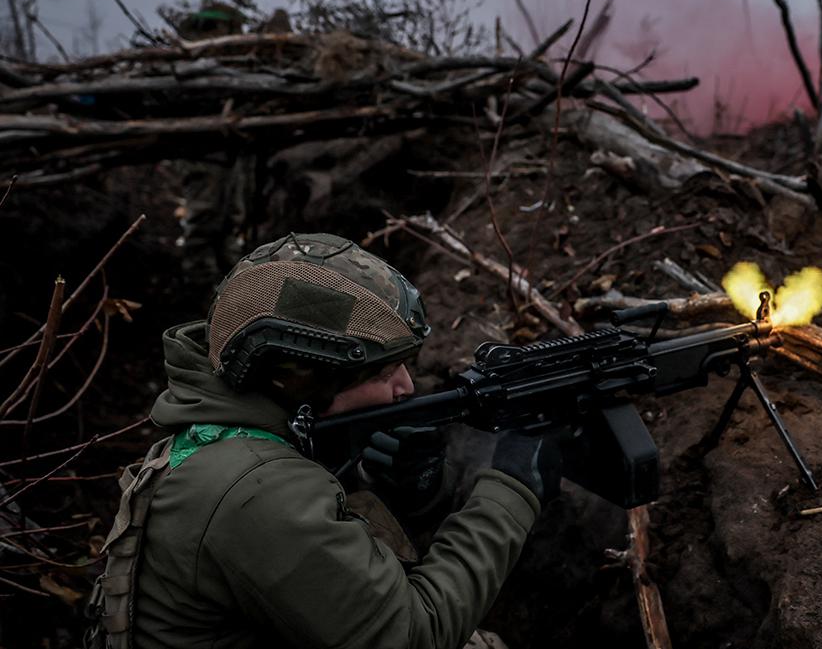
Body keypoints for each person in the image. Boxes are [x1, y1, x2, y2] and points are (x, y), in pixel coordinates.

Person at [86, 233, 560, 649]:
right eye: (381, 371)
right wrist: (511, 490)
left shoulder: (220, 444)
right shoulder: (255, 490)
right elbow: (414, 635)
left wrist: (377, 485)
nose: (406, 387)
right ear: (302, 380)